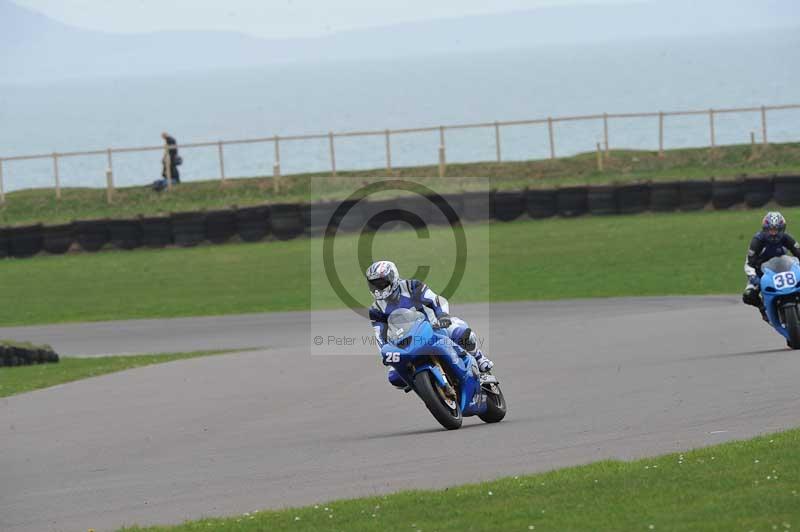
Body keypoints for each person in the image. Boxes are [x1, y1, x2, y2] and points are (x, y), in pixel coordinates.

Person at [366, 260, 494, 389]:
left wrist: (443, 316)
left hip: (434, 327)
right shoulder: (376, 309)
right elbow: (379, 336)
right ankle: (424, 387)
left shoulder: (412, 287)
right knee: (394, 377)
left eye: (381, 283)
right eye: (374, 285)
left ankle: (479, 359)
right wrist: (385, 353)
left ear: (392, 277)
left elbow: (436, 300)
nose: (378, 288)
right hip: (406, 342)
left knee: (461, 333)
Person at [742, 211, 800, 320]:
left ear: (782, 229)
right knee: (748, 295)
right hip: (761, 272)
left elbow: (798, 253)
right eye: (770, 230)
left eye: (777, 230)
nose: (773, 234)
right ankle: (763, 308)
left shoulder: (787, 238)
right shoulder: (757, 241)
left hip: (783, 269)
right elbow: (749, 264)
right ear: (765, 229)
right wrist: (753, 276)